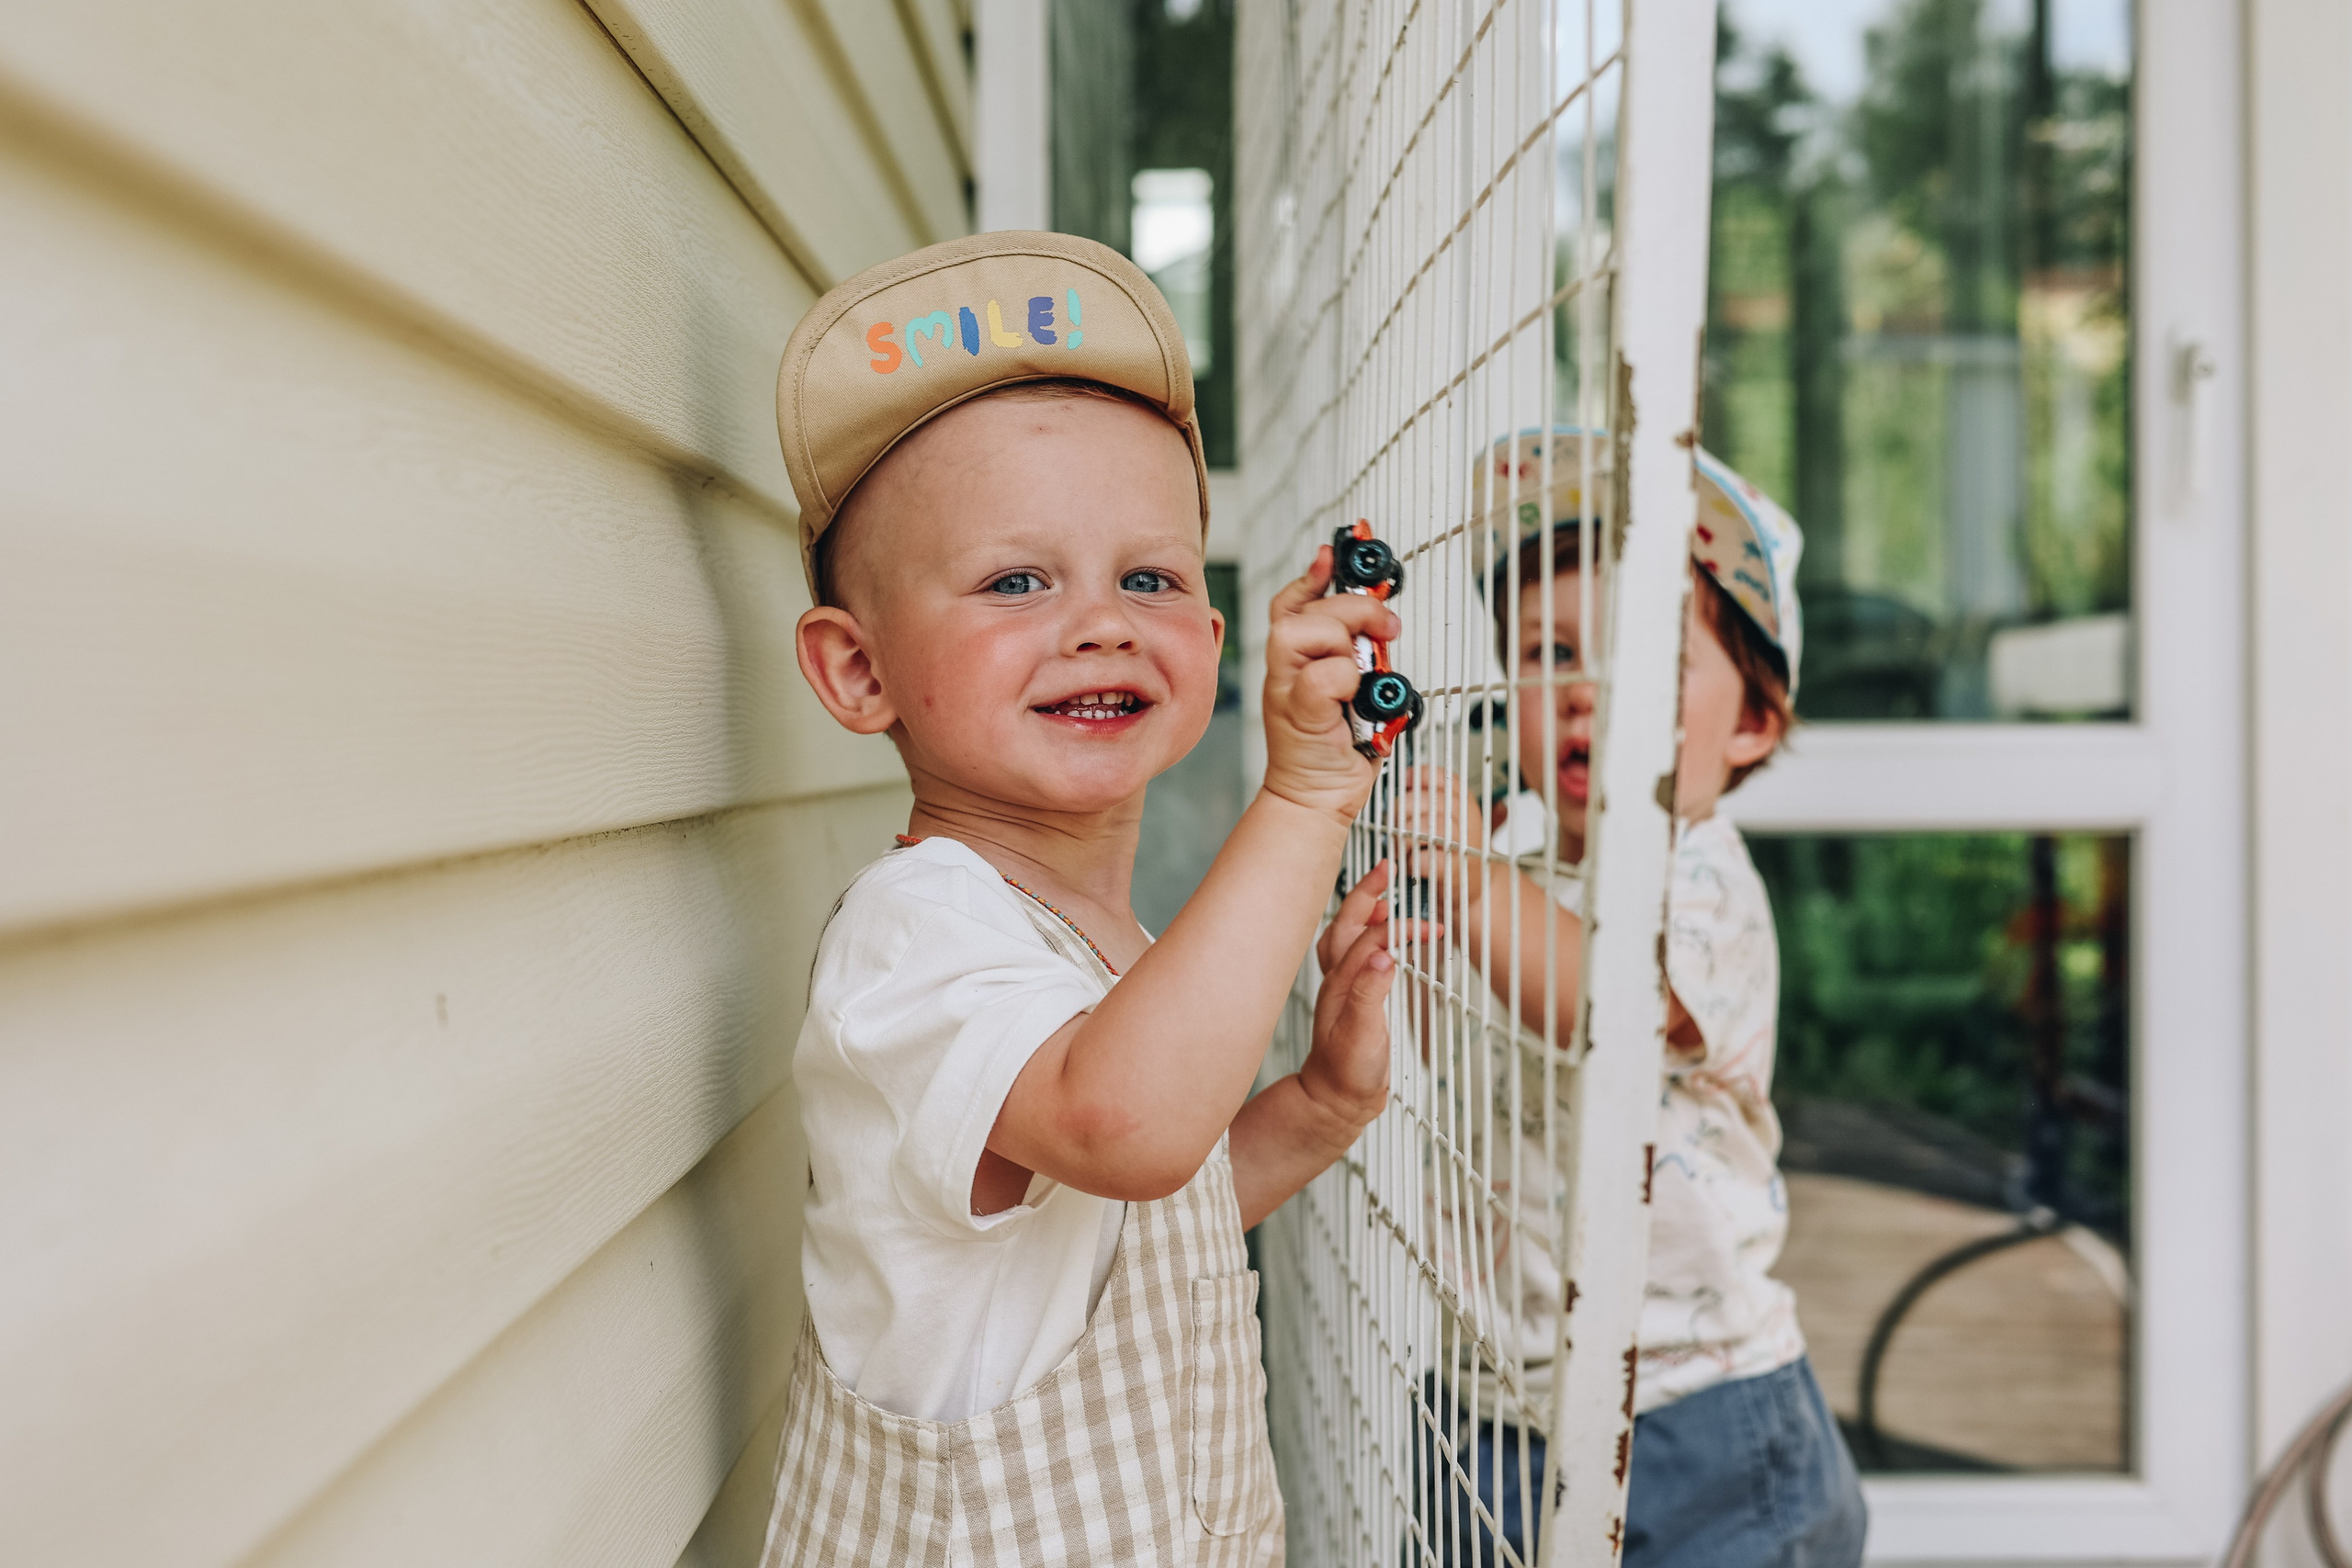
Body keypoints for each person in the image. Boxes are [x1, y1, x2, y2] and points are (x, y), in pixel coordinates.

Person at [758, 231, 1407, 1567]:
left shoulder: (1102, 942)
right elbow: (1127, 1126)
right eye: (1016, 580)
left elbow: (1133, 1233)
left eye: (1150, 578)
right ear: (858, 671)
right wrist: (1298, 801)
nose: (1102, 621)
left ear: (1209, 647)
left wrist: (1321, 1106)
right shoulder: (918, 929)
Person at [1405, 431, 1866, 1567]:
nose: (1581, 690)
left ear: (1751, 724)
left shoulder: (1698, 874)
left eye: (1642, 658)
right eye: (1545, 649)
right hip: (1492, 1406)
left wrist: (1462, 880)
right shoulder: (1508, 854)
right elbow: (1435, 1040)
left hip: (1691, 1417)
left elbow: (1603, 1005)